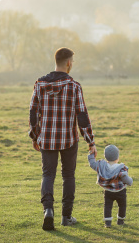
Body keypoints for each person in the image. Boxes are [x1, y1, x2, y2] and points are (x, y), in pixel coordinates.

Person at [29, 47, 96, 231]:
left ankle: (48, 211)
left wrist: (35, 136)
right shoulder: (74, 86)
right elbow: (82, 115)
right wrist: (90, 141)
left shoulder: (39, 84)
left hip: (47, 139)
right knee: (68, 176)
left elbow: (33, 113)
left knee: (47, 175)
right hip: (69, 139)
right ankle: (66, 217)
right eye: (72, 62)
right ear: (68, 63)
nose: (72, 64)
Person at [88, 144, 133, 228]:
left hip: (108, 191)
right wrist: (130, 182)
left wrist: (91, 154)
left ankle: (107, 222)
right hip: (120, 191)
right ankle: (120, 221)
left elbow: (92, 164)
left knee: (107, 206)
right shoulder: (121, 168)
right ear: (117, 157)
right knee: (122, 205)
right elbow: (125, 177)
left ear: (105, 157)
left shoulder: (102, 166)